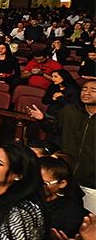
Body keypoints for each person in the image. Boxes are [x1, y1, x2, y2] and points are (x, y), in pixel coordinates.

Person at [27, 80, 96, 213]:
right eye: (84, 89)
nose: (87, 92)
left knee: (90, 217)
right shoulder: (69, 110)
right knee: (64, 214)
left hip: (92, 180)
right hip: (68, 173)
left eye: (93, 90)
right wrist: (42, 120)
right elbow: (55, 129)